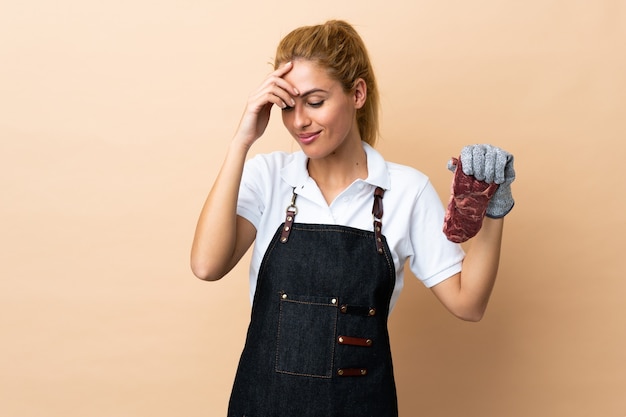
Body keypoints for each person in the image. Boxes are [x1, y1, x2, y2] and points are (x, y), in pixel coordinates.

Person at [191, 19, 515, 417]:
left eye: (314, 102)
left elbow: (469, 303)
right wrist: (242, 139)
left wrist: (493, 210)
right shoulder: (268, 176)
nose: (298, 122)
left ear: (357, 93)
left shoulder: (406, 191)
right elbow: (207, 266)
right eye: (288, 107)